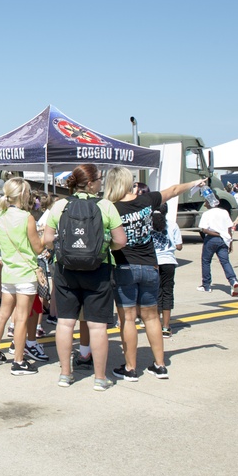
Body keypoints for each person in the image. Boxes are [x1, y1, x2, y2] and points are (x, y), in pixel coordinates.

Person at [103, 169, 204, 381]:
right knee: (151, 317)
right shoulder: (147, 200)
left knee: (128, 319)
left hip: (125, 267)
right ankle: (159, 364)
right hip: (150, 265)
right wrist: (196, 182)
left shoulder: (111, 207)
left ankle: (131, 368)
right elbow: (174, 190)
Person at [43, 164, 127, 391]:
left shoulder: (60, 205)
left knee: (65, 322)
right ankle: (100, 378)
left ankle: (65, 374)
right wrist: (102, 244)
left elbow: (48, 239)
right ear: (90, 183)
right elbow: (121, 241)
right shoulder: (106, 206)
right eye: (99, 179)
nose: (101, 182)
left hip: (65, 269)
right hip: (98, 269)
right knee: (98, 326)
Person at [0, 178, 45, 375]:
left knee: (3, 314)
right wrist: (46, 237)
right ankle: (19, 361)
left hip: (9, 272)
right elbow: (37, 248)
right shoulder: (26, 217)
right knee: (21, 318)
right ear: (23, 194)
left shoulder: (0, 217)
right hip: (25, 273)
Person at [151, 202, 183, 337]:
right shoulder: (173, 225)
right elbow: (179, 245)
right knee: (167, 292)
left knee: (156, 293)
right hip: (169, 262)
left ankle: (156, 324)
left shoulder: (149, 225)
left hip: (154, 262)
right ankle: (166, 326)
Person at [198, 199, 238, 295]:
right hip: (224, 240)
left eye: (206, 202)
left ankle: (206, 285)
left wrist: (216, 234)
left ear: (209, 203)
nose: (204, 204)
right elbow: (229, 228)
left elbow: (204, 230)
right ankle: (233, 280)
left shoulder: (206, 214)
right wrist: (230, 242)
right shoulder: (224, 212)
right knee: (225, 262)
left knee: (206, 261)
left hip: (211, 239)